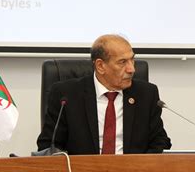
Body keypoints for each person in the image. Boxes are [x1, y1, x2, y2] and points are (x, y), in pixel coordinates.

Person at [37, 34, 172, 154]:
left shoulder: (146, 94)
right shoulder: (66, 95)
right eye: (122, 62)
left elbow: (159, 141)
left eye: (132, 60)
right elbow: (49, 145)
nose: (132, 69)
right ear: (101, 66)